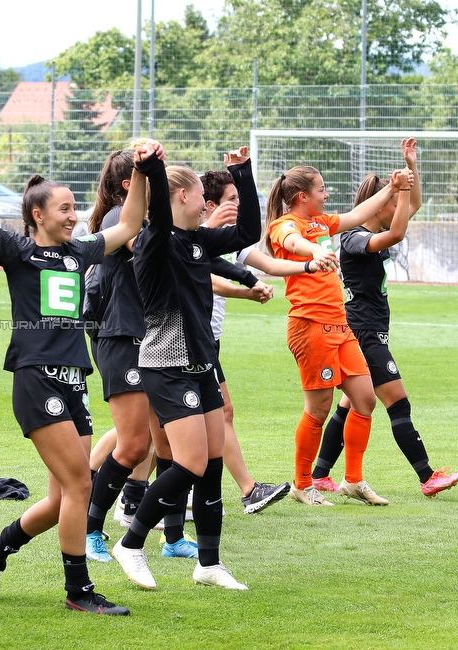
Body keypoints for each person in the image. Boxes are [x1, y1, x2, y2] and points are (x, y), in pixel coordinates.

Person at [0, 132, 148, 615]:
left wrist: (143, 170)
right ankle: (79, 593)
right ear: (38, 215)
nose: (73, 215)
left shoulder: (79, 253)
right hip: (36, 379)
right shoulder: (19, 252)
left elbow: (130, 222)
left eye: (75, 207)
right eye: (64, 208)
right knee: (81, 485)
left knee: (63, 493)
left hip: (73, 380)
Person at [110, 146, 261, 592]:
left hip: (199, 364)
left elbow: (250, 229)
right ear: (179, 198)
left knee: (212, 462)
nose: (208, 206)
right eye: (201, 197)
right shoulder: (157, 240)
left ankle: (209, 564)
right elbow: (156, 208)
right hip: (166, 364)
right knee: (191, 463)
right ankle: (131, 542)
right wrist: (153, 167)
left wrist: (243, 172)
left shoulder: (199, 241)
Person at [312, 139, 458, 498]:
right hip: (363, 331)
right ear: (381, 206)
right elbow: (398, 231)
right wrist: (403, 186)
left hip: (369, 329)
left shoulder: (373, 230)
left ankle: (320, 474)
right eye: (395, 201)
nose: (402, 207)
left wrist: (412, 166)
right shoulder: (351, 236)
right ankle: (427, 477)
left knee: (349, 406)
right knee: (398, 401)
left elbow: (416, 204)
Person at [265, 162, 413, 508]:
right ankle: (303, 484)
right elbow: (292, 241)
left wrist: (392, 188)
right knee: (318, 409)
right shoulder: (285, 224)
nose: (327, 194)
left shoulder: (321, 221)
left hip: (341, 327)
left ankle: (353, 480)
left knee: (365, 400)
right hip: (310, 327)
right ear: (303, 196)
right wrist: (315, 251)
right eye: (321, 189)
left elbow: (358, 213)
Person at [200, 169, 324, 514]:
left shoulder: (226, 240)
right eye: (231, 200)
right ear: (209, 205)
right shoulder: (191, 238)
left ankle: (133, 493)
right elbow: (206, 278)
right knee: (209, 416)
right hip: (191, 340)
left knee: (168, 427)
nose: (237, 205)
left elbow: (267, 264)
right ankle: (247, 490)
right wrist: (247, 292)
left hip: (210, 338)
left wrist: (309, 265)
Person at [82, 148, 158, 562]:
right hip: (121, 337)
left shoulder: (140, 219)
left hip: (148, 338)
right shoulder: (117, 218)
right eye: (150, 177)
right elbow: (147, 250)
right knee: (133, 445)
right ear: (130, 185)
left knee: (156, 440)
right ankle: (89, 530)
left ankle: (167, 529)